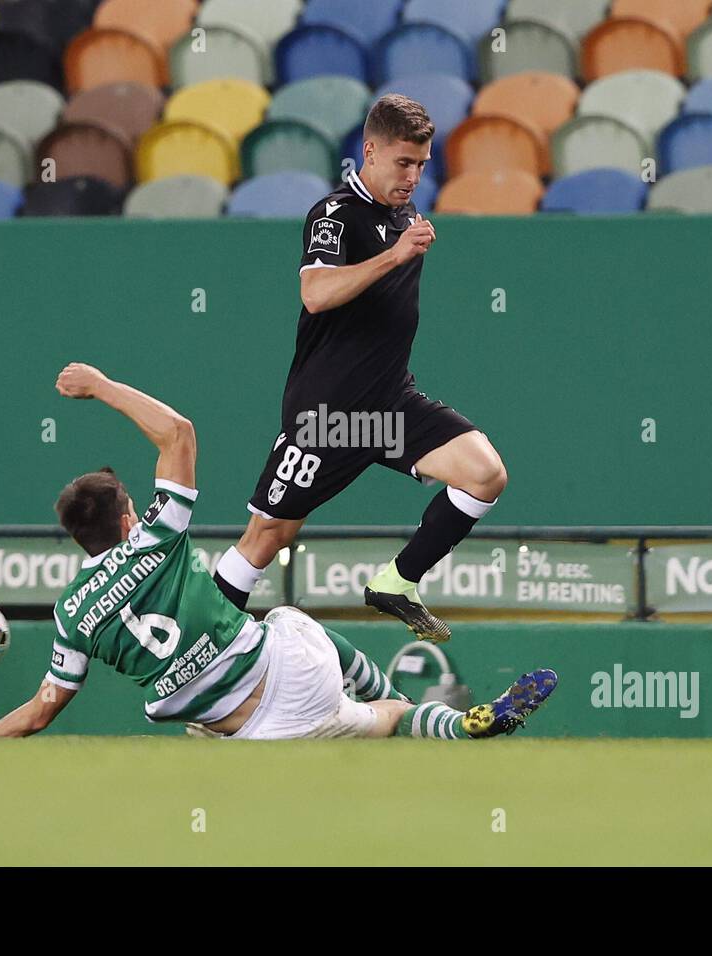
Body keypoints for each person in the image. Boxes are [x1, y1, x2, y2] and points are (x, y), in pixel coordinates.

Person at [0, 364, 556, 741]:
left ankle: (391, 712)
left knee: (369, 720)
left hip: (257, 734)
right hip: (291, 671)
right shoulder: (155, 536)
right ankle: (445, 718)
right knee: (293, 627)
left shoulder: (70, 614)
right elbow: (178, 433)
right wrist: (100, 385)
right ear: (126, 516)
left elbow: (41, 711)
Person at [211, 94, 508, 644]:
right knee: (268, 537)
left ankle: (398, 582)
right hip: (327, 416)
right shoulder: (334, 215)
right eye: (403, 162)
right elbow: (316, 292)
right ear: (369, 151)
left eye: (422, 164)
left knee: (485, 473)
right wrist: (394, 256)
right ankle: (195, 661)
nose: (415, 176)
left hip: (389, 406)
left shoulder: (405, 215)